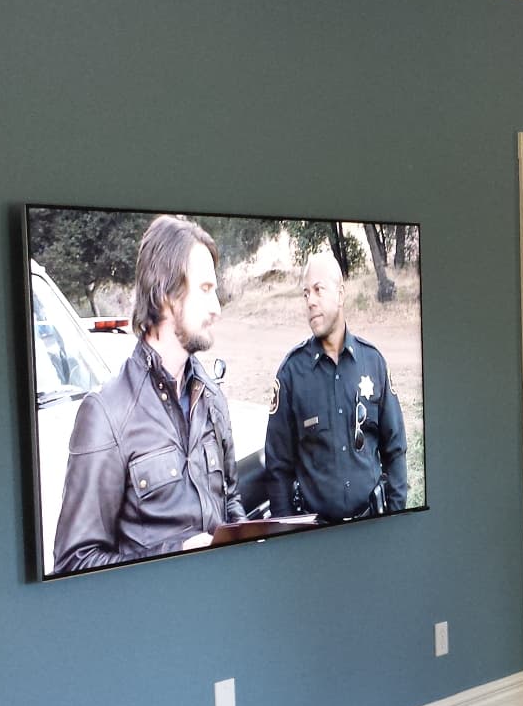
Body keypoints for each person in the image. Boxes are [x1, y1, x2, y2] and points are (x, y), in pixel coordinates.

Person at [52, 216, 245, 574]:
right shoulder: (106, 413)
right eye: (205, 289)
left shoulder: (212, 397)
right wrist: (175, 554)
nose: (217, 307)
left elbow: (230, 501)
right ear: (165, 294)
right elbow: (73, 563)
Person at [265, 249, 406, 521]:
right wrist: (287, 534)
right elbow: (278, 468)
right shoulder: (291, 374)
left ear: (341, 294)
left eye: (319, 290)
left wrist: (395, 516)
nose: (310, 301)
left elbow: (396, 448)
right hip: (317, 538)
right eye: (306, 293)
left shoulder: (373, 362)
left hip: (371, 528)